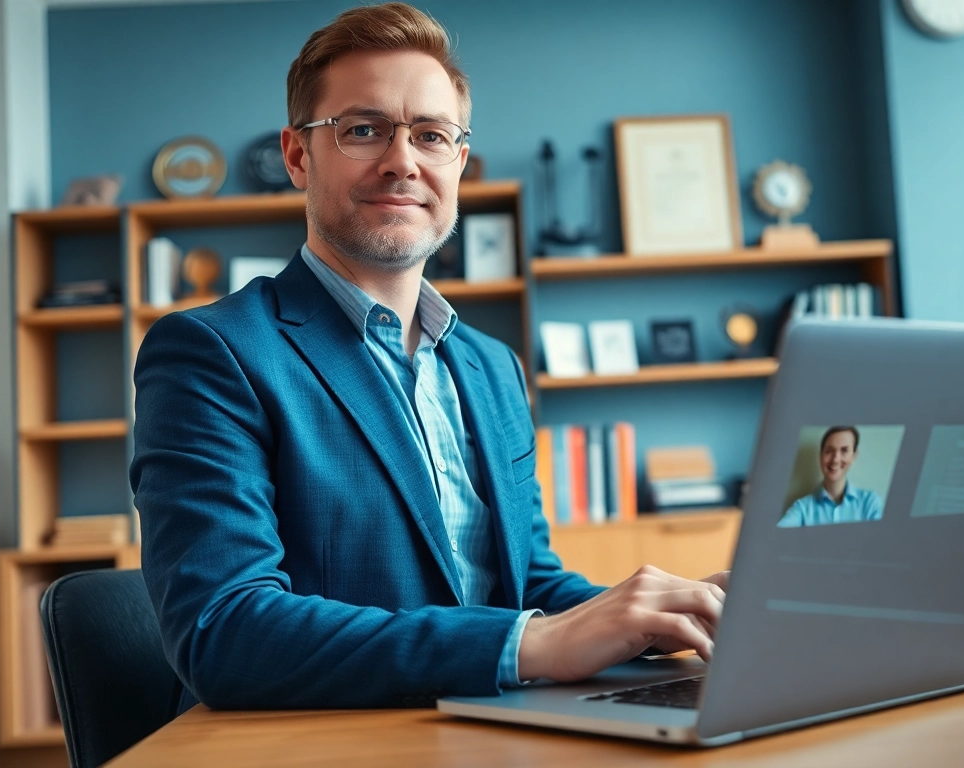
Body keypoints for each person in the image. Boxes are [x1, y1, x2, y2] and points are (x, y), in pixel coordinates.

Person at [130, 3, 727, 712]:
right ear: (297, 156)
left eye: (431, 135)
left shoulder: (491, 366)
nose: (402, 161)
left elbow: (527, 587)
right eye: (362, 130)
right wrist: (531, 646)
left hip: (492, 728)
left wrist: (660, 618)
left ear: (459, 163)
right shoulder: (213, 353)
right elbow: (222, 631)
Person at [778, 426, 885, 527]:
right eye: (829, 451)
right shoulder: (801, 508)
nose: (835, 460)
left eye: (844, 451)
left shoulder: (870, 503)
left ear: (854, 456)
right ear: (821, 456)